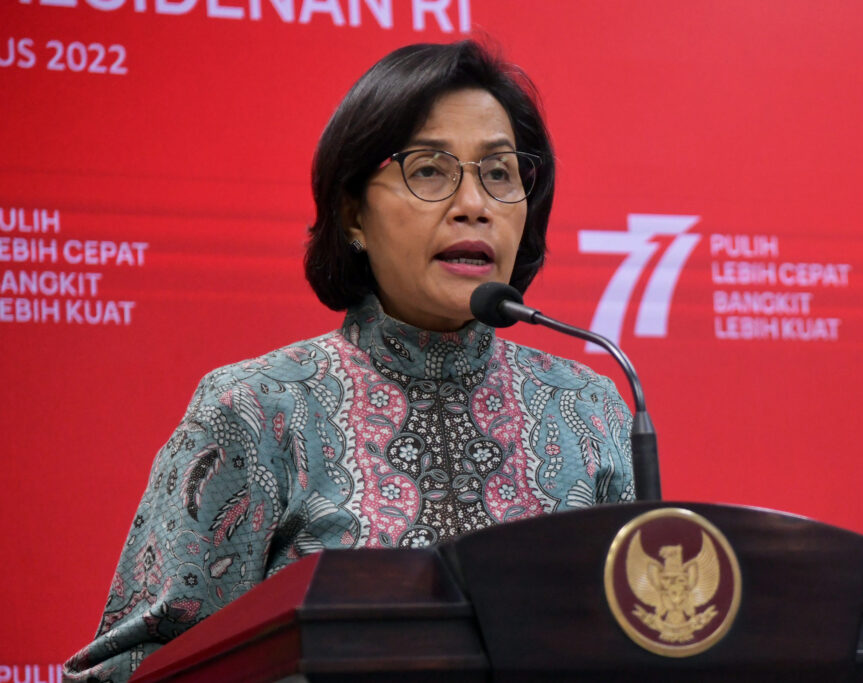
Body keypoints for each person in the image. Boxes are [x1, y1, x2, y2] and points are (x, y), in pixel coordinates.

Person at [64, 40, 635, 682]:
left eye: (499, 174)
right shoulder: (256, 410)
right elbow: (130, 670)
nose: (474, 204)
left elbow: (649, 642)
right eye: (429, 170)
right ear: (353, 213)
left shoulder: (589, 409)